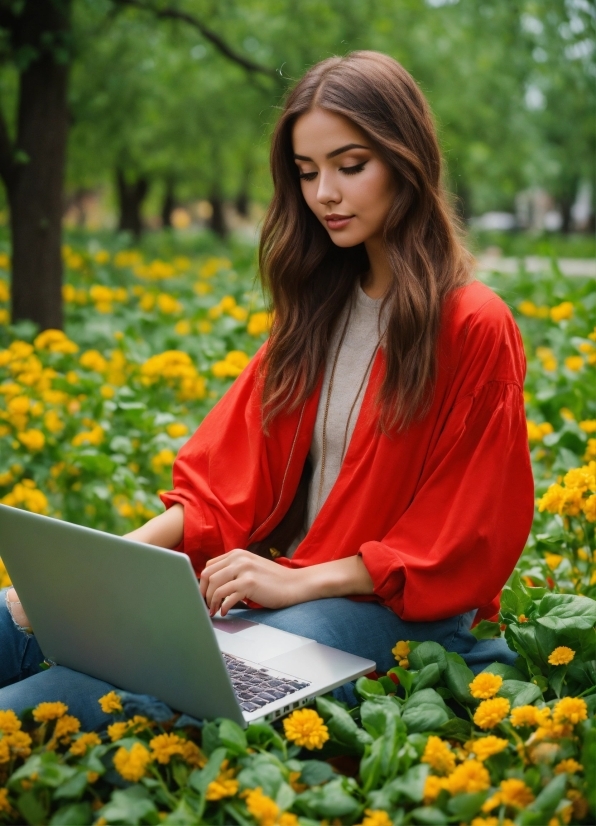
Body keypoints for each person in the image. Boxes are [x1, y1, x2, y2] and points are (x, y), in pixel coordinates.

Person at [1, 51, 534, 731]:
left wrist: (296, 581)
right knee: (11, 618)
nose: (325, 196)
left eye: (350, 166)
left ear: (408, 160)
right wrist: (91, 578)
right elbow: (218, 494)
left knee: (133, 689)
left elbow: (461, 539)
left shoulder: (472, 323)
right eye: (307, 174)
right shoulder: (315, 312)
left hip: (398, 616)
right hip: (287, 596)